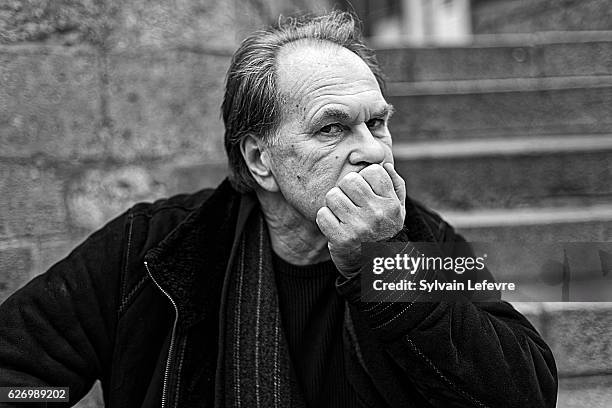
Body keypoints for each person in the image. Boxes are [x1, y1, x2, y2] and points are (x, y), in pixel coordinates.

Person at [0, 11, 557, 408]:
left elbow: (525, 391)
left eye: (378, 122)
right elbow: (19, 378)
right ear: (260, 159)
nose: (371, 149)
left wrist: (384, 266)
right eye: (333, 127)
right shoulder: (152, 250)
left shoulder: (418, 242)